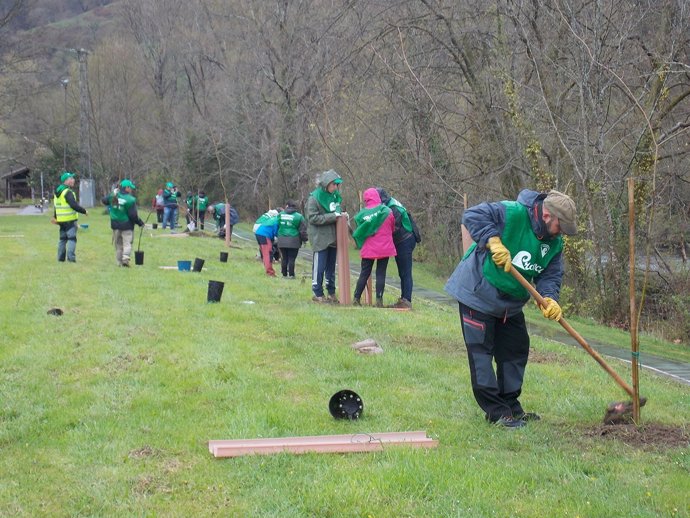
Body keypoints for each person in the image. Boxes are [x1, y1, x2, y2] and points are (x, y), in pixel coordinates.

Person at [444, 189, 577, 428]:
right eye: (561, 226)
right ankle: (497, 413)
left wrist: (549, 297)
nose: (561, 233)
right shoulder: (513, 213)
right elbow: (472, 215)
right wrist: (492, 240)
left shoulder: (554, 243)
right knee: (481, 353)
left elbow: (551, 274)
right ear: (547, 215)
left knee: (515, 349)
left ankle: (511, 407)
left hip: (511, 303)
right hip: (478, 291)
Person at [377, 188, 422, 309]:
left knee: (405, 272)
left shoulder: (392, 209)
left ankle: (406, 301)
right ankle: (404, 299)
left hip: (405, 240)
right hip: (402, 239)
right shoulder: (390, 203)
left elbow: (392, 229)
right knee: (402, 272)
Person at [306, 169, 346, 303]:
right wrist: (333, 216)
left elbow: (337, 211)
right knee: (320, 267)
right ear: (326, 184)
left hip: (333, 237)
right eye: (333, 184)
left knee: (331, 267)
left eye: (337, 185)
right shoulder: (314, 198)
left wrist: (342, 216)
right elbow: (313, 218)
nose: (335, 188)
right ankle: (317, 293)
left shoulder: (334, 197)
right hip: (320, 238)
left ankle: (331, 292)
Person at [352, 188, 397, 307]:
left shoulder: (361, 215)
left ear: (366, 199)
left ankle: (356, 298)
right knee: (381, 273)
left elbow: (361, 230)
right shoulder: (387, 211)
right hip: (385, 247)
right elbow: (393, 227)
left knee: (364, 273)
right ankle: (379, 301)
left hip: (369, 248)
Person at [102, 179, 145, 267]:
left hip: (115, 225)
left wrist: (112, 193)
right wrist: (140, 223)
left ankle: (119, 262)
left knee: (118, 245)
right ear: (127, 188)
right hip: (127, 225)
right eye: (130, 188)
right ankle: (125, 259)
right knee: (127, 243)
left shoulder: (114, 196)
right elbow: (133, 215)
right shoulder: (130, 199)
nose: (131, 190)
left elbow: (104, 201)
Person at [52, 171, 88, 262]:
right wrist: (84, 211)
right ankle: (71, 258)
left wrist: (55, 217)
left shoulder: (57, 192)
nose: (73, 180)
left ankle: (60, 258)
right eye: (71, 178)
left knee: (62, 239)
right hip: (70, 220)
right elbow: (73, 205)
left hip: (61, 220)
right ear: (66, 181)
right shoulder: (67, 192)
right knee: (72, 239)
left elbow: (56, 207)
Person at [276, 201, 308, 278]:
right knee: (291, 258)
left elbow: (277, 225)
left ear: (287, 206)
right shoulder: (299, 216)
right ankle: (291, 275)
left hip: (282, 239)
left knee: (284, 257)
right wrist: (305, 239)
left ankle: (284, 274)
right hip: (294, 240)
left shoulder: (280, 215)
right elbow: (302, 230)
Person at [253, 209, 280, 276]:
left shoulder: (273, 219)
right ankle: (270, 272)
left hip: (258, 233)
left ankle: (267, 268)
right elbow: (276, 232)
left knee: (265, 253)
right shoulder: (277, 221)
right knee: (268, 253)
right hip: (264, 235)